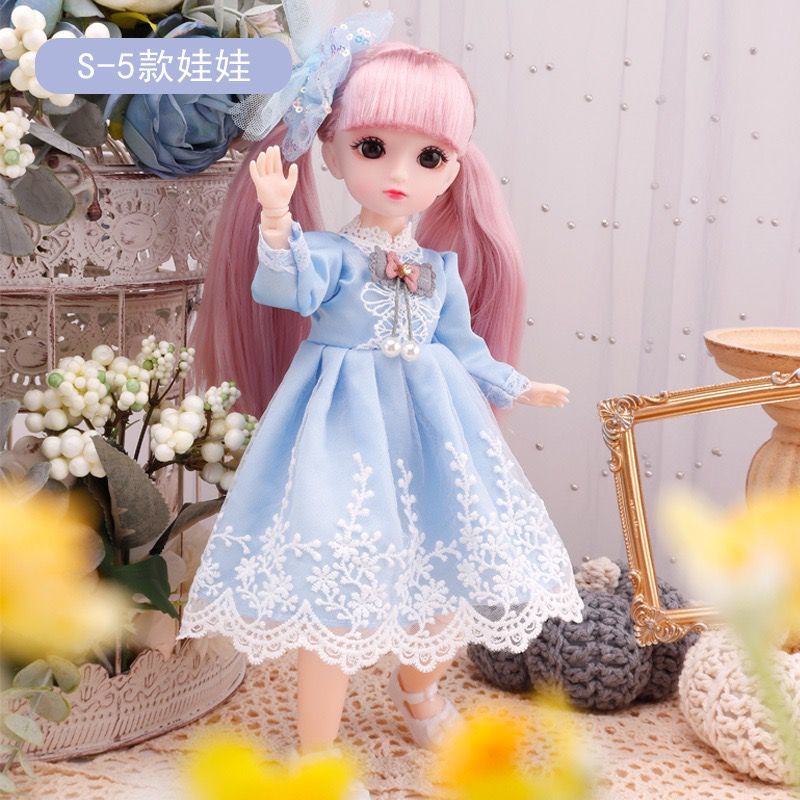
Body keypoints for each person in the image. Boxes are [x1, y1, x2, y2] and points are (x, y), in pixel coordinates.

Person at [178, 13, 584, 798]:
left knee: (449, 585)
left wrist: (515, 384)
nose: (400, 172)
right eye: (373, 147)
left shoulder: (439, 268)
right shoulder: (330, 255)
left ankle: (418, 689)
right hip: (341, 436)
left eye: (429, 156)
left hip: (431, 436)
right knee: (334, 604)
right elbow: (285, 289)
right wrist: (275, 219)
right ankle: (315, 753)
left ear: (454, 169)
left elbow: (465, 348)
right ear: (333, 151)